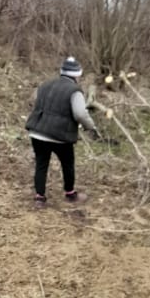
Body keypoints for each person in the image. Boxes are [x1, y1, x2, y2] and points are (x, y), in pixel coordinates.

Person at [25, 56, 98, 206]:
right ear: (77, 75)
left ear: (62, 72)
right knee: (67, 163)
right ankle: (70, 194)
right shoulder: (74, 90)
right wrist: (90, 126)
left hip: (37, 131)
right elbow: (80, 114)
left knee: (41, 164)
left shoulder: (45, 85)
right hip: (59, 135)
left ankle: (39, 198)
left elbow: (35, 102)